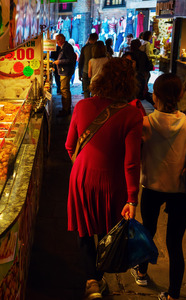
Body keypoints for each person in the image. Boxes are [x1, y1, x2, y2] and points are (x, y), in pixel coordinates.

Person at [65, 58, 142, 300]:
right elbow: (131, 162)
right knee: (109, 232)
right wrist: (132, 198)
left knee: (85, 231)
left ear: (99, 77)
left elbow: (69, 145)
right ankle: (103, 272)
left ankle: (92, 282)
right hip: (113, 181)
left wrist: (83, 167)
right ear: (129, 83)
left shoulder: (82, 106)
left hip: (81, 177)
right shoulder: (132, 114)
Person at [136, 73, 186, 300]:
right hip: (180, 190)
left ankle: (141, 272)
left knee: (147, 232)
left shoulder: (145, 123)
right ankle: (173, 294)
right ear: (180, 95)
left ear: (154, 95)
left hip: (151, 186)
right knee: (175, 243)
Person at [54, 33, 77, 117]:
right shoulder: (63, 47)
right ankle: (66, 108)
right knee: (65, 90)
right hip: (64, 71)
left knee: (64, 90)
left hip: (66, 72)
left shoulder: (67, 47)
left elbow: (71, 60)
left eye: (58, 40)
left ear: (62, 39)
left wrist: (59, 62)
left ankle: (66, 110)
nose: (56, 42)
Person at [79, 33, 99, 99]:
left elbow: (81, 61)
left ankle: (87, 105)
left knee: (86, 91)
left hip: (86, 71)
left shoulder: (85, 48)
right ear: (97, 38)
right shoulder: (99, 48)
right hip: (96, 72)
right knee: (95, 91)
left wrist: (80, 73)